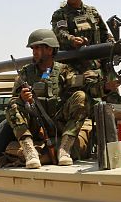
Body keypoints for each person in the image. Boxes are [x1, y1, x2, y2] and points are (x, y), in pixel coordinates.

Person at [5, 29, 87, 169]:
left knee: (81, 97)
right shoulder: (25, 72)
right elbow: (15, 99)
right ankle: (29, 151)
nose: (34, 52)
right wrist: (23, 98)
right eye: (33, 48)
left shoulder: (64, 71)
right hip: (35, 123)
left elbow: (79, 91)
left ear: (49, 50)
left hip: (58, 122)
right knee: (12, 105)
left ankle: (65, 149)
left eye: (38, 48)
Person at [50, 0, 120, 100]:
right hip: (75, 67)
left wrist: (111, 41)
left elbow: (104, 32)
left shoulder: (92, 12)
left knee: (113, 94)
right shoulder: (60, 14)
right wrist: (72, 40)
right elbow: (60, 33)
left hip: (98, 64)